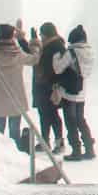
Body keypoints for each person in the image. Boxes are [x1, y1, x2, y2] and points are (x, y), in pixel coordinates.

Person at [0, 23, 33, 151]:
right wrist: (24, 40)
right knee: (14, 132)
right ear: (13, 36)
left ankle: (0, 154)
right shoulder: (18, 54)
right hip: (15, 97)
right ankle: (16, 156)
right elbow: (35, 60)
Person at [55, 24, 96, 161]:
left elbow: (58, 69)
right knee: (81, 120)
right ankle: (89, 148)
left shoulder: (71, 52)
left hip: (70, 92)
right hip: (82, 91)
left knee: (70, 121)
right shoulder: (90, 52)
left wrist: (56, 57)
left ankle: (76, 150)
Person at [30, 22, 67, 155]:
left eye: (41, 34)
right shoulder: (51, 45)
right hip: (43, 85)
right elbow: (34, 57)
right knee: (44, 114)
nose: (41, 37)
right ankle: (45, 140)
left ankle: (58, 142)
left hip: (49, 86)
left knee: (51, 115)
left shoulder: (55, 46)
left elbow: (39, 60)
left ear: (46, 34)